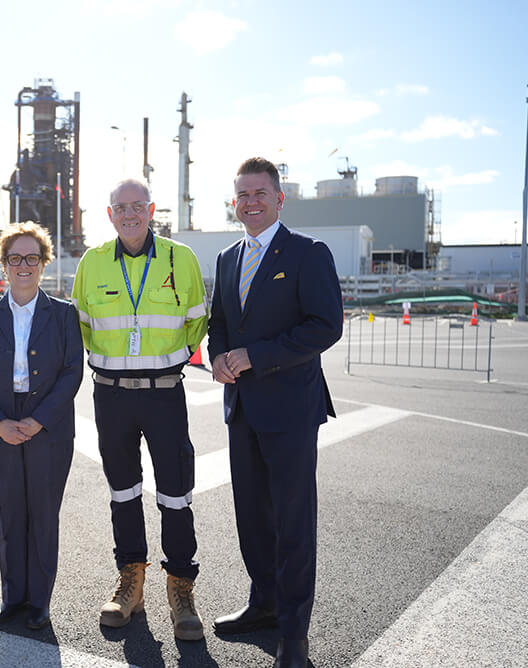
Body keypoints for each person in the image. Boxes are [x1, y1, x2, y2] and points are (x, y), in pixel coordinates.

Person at [207, 157, 343, 668]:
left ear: (279, 198)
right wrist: (218, 355)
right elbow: (220, 319)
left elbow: (325, 325)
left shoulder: (308, 253)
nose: (251, 202)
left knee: (292, 521)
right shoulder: (227, 256)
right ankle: (263, 602)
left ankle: (294, 632)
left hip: (289, 409)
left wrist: (255, 357)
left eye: (260, 193)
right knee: (253, 518)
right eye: (242, 194)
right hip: (241, 408)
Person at [71, 178, 209, 641]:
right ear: (109, 214)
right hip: (111, 395)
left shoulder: (180, 258)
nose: (129, 215)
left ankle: (181, 588)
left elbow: (196, 322)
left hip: (164, 393)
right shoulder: (92, 263)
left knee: (175, 492)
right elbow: (83, 327)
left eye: (137, 206)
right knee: (123, 491)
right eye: (120, 208)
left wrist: (161, 361)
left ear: (151, 209)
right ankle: (131, 580)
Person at [0, 222, 83, 631]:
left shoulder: (64, 315)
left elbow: (71, 373)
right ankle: (12, 597)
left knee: (43, 513)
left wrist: (38, 419)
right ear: (5, 265)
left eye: (32, 257)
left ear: (43, 263)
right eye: (15, 258)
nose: (24, 265)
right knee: (11, 511)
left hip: (47, 424)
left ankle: (39, 602)